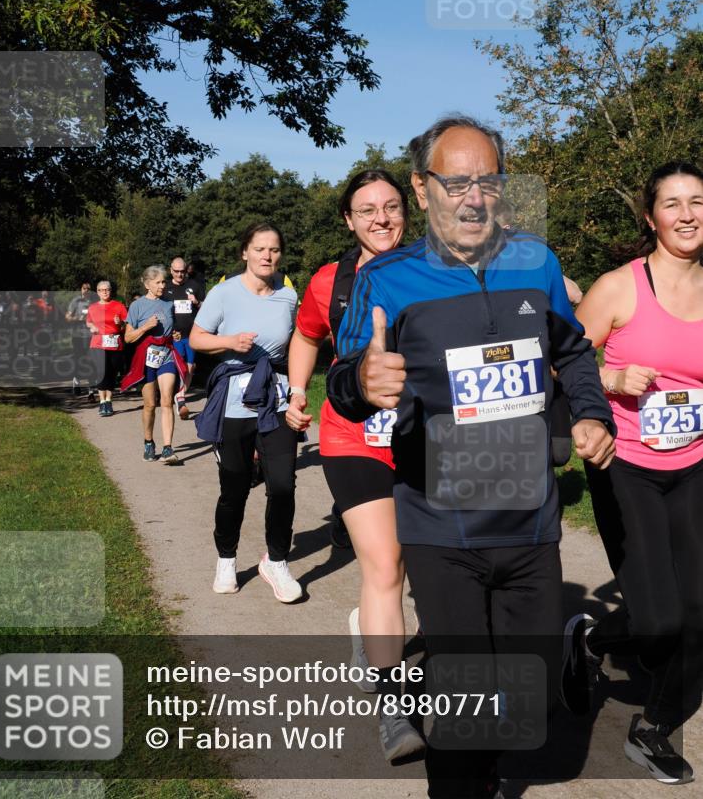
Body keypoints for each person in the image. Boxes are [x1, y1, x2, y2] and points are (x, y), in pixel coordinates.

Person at [327, 115, 615, 798]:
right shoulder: (390, 281)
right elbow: (342, 380)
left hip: (530, 523)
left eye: (488, 180)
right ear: (424, 190)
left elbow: (572, 350)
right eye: (456, 181)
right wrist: (364, 384)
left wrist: (593, 413)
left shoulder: (536, 263)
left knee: (529, 696)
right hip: (439, 526)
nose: (473, 196)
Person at [562, 160, 703, 785]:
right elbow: (564, 361)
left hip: (695, 462)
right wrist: (612, 379)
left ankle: (654, 728)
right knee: (659, 620)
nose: (688, 214)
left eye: (697, 201)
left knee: (698, 611)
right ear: (651, 218)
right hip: (627, 463)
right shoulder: (619, 287)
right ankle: (592, 642)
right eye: (673, 204)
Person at [285, 168, 424, 760]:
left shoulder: (436, 269)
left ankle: (373, 631)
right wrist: (296, 394)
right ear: (348, 219)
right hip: (353, 435)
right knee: (385, 564)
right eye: (366, 210)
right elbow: (306, 337)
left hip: (428, 436)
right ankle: (394, 706)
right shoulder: (329, 281)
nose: (381, 219)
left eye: (391, 207)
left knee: (432, 565)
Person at [190, 223, 301, 604]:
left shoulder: (288, 296)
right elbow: (196, 338)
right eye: (259, 249)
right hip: (235, 401)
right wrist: (228, 342)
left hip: (276, 398)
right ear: (245, 253)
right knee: (234, 488)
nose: (267, 256)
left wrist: (299, 390)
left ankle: (278, 560)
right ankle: (226, 558)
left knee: (283, 485)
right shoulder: (224, 293)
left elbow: (299, 344)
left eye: (273, 249)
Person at [121, 265, 187, 464]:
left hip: (166, 355)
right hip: (146, 358)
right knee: (150, 404)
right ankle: (149, 442)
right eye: (158, 282)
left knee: (166, 401)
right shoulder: (137, 306)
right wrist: (145, 327)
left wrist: (174, 335)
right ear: (147, 284)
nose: (162, 285)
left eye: (163, 281)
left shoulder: (168, 304)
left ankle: (168, 448)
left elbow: (171, 329)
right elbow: (128, 338)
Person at [165, 257, 205, 419]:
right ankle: (176, 397)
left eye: (182, 271)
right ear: (171, 270)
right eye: (176, 271)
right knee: (176, 366)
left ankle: (180, 395)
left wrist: (196, 302)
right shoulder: (166, 288)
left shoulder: (194, 286)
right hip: (174, 334)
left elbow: (206, 307)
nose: (180, 274)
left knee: (190, 367)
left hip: (191, 334)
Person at [85, 281, 128, 417]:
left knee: (111, 373)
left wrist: (120, 323)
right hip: (98, 344)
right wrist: (91, 326)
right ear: (97, 292)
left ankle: (108, 400)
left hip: (114, 344)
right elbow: (88, 321)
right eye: (101, 290)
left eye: (107, 290)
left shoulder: (119, 306)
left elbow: (126, 326)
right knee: (100, 372)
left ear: (111, 291)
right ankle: (102, 401)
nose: (104, 292)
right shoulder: (92, 307)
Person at [65, 282, 98, 399]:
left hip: (91, 336)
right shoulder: (76, 301)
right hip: (77, 335)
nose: (86, 290)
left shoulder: (94, 302)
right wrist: (77, 318)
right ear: (81, 289)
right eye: (84, 288)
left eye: (88, 288)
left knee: (91, 361)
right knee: (79, 359)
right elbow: (67, 317)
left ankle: (91, 389)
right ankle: (76, 381)